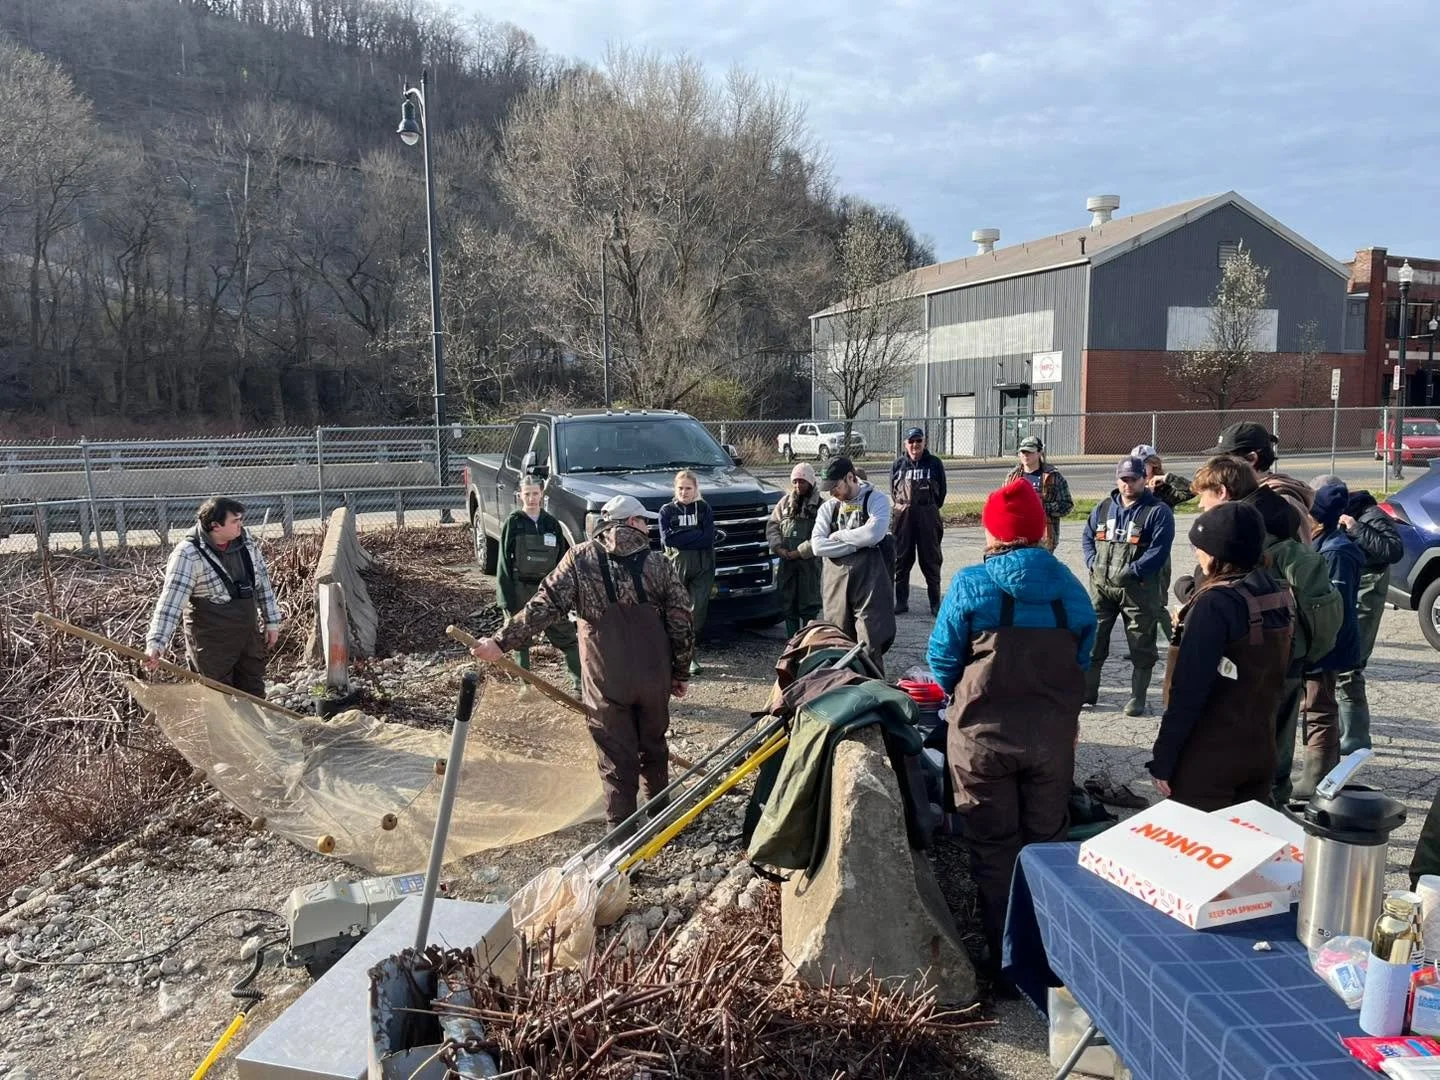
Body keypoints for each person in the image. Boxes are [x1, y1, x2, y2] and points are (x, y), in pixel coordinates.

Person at [927, 478, 1096, 964]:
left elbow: (942, 661)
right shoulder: (1070, 588)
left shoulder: (971, 584)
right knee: (1047, 843)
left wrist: (963, 694)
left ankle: (1007, 960)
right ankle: (1049, 954)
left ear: (993, 532)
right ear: (1041, 531)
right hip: (1049, 741)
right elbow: (1082, 660)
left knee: (994, 848)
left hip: (982, 741)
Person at [469, 494, 695, 830]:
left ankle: (621, 839)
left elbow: (543, 606)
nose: (648, 528)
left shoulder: (579, 558)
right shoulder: (659, 563)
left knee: (615, 757)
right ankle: (661, 820)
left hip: (605, 678)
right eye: (644, 521)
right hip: (653, 676)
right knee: (654, 745)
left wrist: (501, 642)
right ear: (632, 522)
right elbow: (681, 621)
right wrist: (680, 672)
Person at [1185, 456, 1340, 805]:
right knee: (1277, 748)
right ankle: (1273, 806)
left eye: (1204, 497)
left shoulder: (1246, 536)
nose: (1200, 506)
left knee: (1252, 750)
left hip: (1256, 661)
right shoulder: (1282, 521)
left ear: (1223, 492)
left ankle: (1256, 813)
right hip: (1290, 655)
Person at [1148, 502, 1294, 811]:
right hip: (1262, 750)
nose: (1196, 555)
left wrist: (1164, 757)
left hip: (1211, 757)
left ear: (1217, 553)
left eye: (1198, 548)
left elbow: (1189, 689)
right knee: (1245, 837)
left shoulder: (1214, 604)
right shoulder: (1276, 594)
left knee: (1197, 838)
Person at [144, 496, 281, 696]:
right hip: (211, 646)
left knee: (253, 692)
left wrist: (272, 621)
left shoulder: (246, 542)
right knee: (216, 697)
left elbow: (262, 582)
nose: (241, 525)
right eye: (235, 521)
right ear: (215, 526)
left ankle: (255, 719)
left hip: (247, 639)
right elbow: (170, 604)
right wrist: (156, 644)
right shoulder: (188, 554)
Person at [1080, 456, 1175, 715]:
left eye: (1133, 479)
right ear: (1117, 479)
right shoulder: (1103, 508)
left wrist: (1133, 571)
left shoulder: (1158, 512)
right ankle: (1088, 691)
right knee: (1094, 639)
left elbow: (1158, 550)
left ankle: (1137, 698)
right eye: (1123, 479)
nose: (1128, 484)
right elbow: (1087, 537)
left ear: (1144, 479)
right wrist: (1091, 562)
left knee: (1141, 642)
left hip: (1138, 589)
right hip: (1101, 587)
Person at [1295, 482, 1364, 798]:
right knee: (1315, 704)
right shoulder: (1324, 543)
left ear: (1318, 518)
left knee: (1319, 706)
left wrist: (1318, 645)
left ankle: (1317, 776)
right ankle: (1319, 770)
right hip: (1323, 638)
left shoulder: (1335, 551)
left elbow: (1332, 606)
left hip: (1329, 641)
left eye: (1308, 514)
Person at [1331, 482, 1403, 754]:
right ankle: (1344, 730)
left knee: (1351, 665)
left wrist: (1356, 528)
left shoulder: (1370, 514)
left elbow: (1393, 550)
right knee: (1341, 665)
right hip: (1354, 587)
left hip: (1367, 591)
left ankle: (1355, 737)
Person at [811, 456, 896, 670]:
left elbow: (874, 534)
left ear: (850, 477)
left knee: (870, 639)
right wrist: (857, 545)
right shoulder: (828, 508)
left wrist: (838, 536)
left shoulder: (876, 500)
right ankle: (842, 685)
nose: (832, 493)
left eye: (835, 486)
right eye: (828, 488)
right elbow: (818, 546)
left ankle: (872, 684)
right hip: (835, 580)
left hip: (870, 579)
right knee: (837, 637)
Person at [498, 476, 582, 690]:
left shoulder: (551, 523)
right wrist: (505, 598)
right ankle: (526, 688)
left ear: (541, 494)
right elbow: (503, 562)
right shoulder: (513, 522)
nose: (531, 498)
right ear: (520, 495)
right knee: (520, 640)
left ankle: (580, 685)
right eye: (527, 494)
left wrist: (566, 593)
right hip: (521, 588)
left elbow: (563, 562)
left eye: (535, 493)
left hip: (548, 590)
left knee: (568, 638)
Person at [1204, 422, 1312, 540]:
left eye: (1225, 461)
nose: (1218, 467)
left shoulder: (1280, 502)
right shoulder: (1251, 493)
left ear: (1251, 458)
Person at [1130, 444, 1194, 643]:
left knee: (1157, 603)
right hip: (1134, 550)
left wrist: (1167, 479)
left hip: (1158, 551)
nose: (1140, 468)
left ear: (1154, 466)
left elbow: (1192, 490)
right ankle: (1143, 647)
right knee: (1137, 602)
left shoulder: (1164, 490)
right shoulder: (1131, 486)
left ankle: (1176, 644)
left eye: (1144, 464)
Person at [659, 470, 715, 676]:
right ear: (675, 489)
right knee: (676, 610)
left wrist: (683, 536)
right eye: (680, 488)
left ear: (696, 488)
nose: (684, 492)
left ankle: (691, 656)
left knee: (696, 610)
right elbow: (667, 539)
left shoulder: (704, 508)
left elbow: (708, 537)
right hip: (677, 565)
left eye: (688, 488)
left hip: (702, 565)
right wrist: (694, 534)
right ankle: (673, 655)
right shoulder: (667, 511)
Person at [890, 427, 948, 615]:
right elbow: (893, 492)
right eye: (911, 441)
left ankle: (935, 603)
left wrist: (927, 508)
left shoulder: (934, 463)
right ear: (905, 444)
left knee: (931, 559)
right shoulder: (898, 464)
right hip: (903, 517)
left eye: (918, 441)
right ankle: (901, 602)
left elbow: (942, 493)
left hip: (927, 515)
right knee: (901, 559)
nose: (915, 445)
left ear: (925, 442)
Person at [766, 462, 823, 637]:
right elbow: (772, 526)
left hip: (809, 565)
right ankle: (792, 641)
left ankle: (807, 641)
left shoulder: (821, 505)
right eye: (795, 481)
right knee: (788, 603)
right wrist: (777, 547)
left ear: (811, 482)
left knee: (809, 604)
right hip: (787, 562)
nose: (798, 485)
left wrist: (801, 552)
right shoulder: (784, 503)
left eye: (802, 481)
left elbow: (822, 535)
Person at [1006, 435, 1072, 552]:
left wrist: (1041, 506)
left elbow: (1067, 505)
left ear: (1040, 453)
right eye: (1023, 452)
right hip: (1017, 537)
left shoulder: (1053, 477)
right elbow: (1003, 504)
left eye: (1030, 452)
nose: (1026, 455)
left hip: (1043, 538)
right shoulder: (1012, 477)